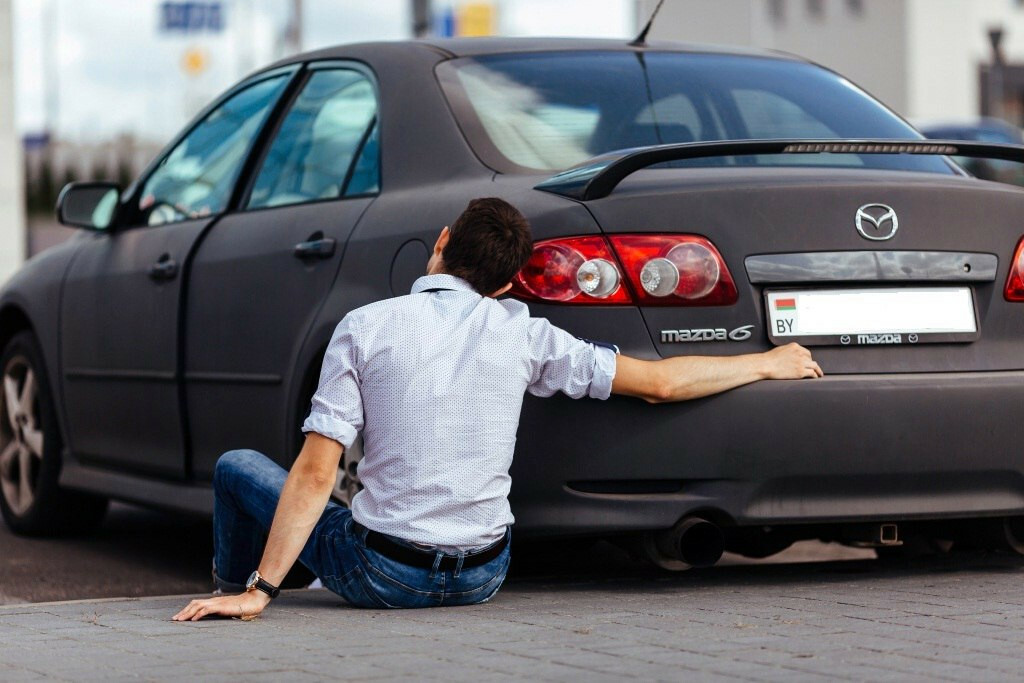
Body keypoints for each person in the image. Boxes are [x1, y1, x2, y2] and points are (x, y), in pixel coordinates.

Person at [173, 198, 822, 620]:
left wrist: (261, 588)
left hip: (386, 575)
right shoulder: (524, 332)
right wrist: (767, 362)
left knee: (238, 467)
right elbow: (659, 383)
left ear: (443, 241)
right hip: (485, 573)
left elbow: (317, 472)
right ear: (510, 282)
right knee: (356, 510)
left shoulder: (366, 326)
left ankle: (234, 591)